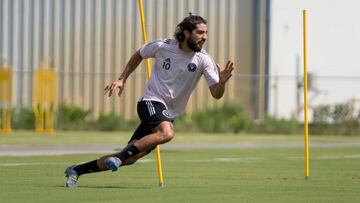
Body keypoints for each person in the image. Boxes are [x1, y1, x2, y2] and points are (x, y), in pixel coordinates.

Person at [64, 14, 234, 188]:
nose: (205, 37)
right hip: (151, 101)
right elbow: (139, 54)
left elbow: (216, 93)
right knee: (167, 133)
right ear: (187, 33)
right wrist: (122, 79)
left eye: (206, 33)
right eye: (200, 32)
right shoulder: (163, 46)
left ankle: (77, 170)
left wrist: (221, 83)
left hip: (168, 113)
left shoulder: (204, 60)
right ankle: (119, 157)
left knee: (131, 158)